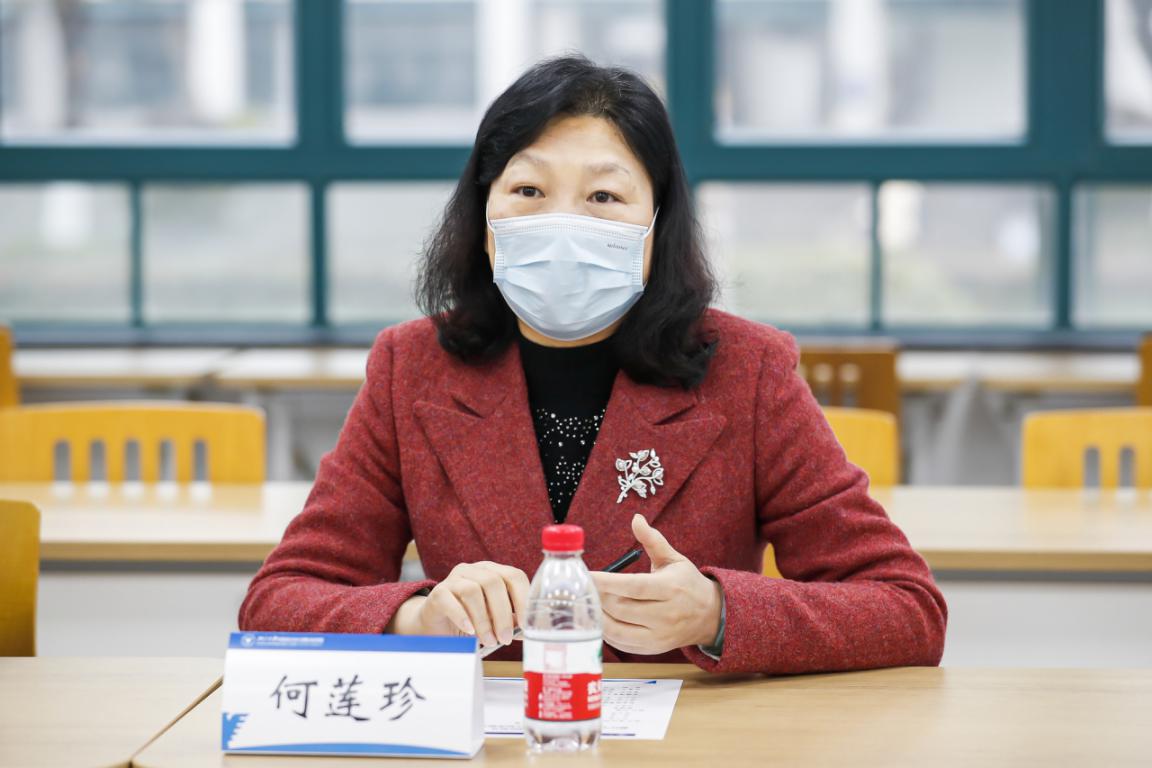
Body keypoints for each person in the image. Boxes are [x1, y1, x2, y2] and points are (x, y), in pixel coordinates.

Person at [239, 55, 946, 675]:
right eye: (528, 192)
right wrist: (416, 618)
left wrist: (716, 613)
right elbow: (278, 601)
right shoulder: (413, 367)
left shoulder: (747, 371)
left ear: (657, 224)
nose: (563, 226)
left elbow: (908, 608)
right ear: (483, 219)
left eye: (604, 197)